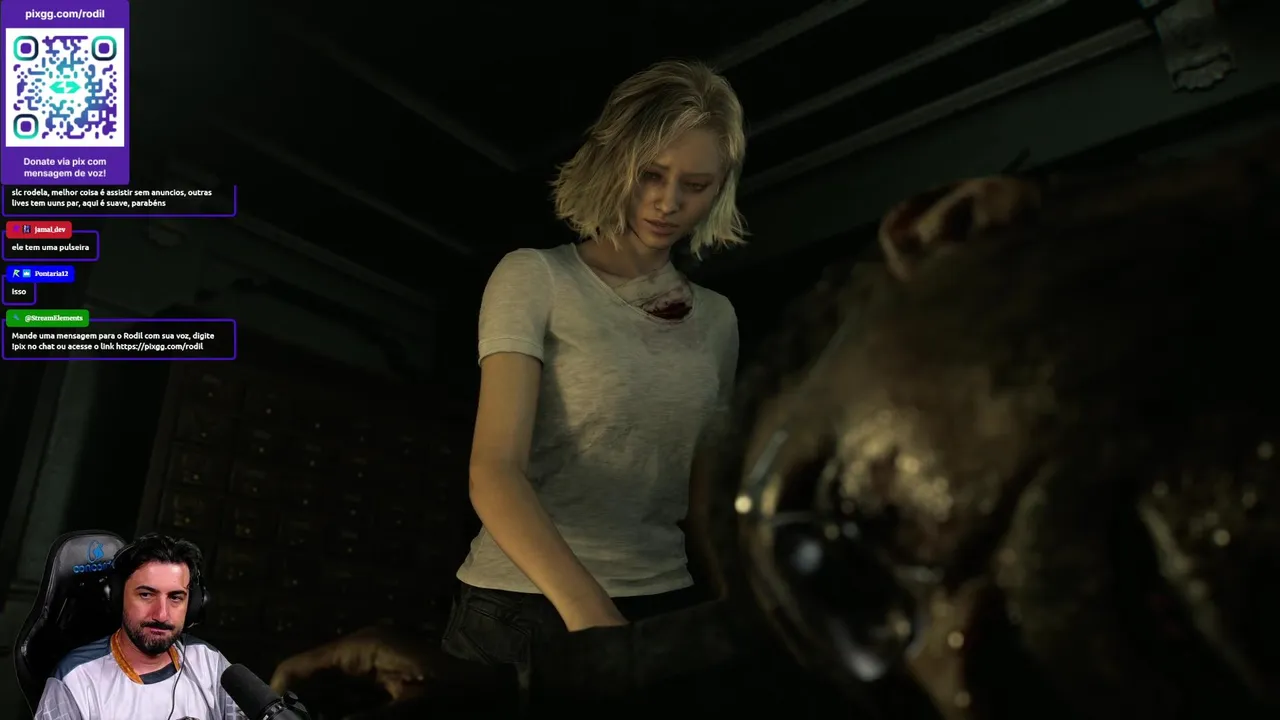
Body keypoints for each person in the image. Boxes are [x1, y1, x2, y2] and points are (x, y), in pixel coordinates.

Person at [441, 59, 745, 670]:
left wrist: (732, 607)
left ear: (720, 188)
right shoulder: (534, 277)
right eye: (651, 175)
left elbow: (699, 495)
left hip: (663, 605)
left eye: (695, 184)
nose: (668, 202)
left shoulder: (718, 320)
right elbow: (494, 471)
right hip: (521, 609)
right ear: (615, 162)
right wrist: (596, 620)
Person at [34, 533, 247, 720]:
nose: (161, 615)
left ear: (192, 605)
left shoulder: (209, 663)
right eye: (146, 595)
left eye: (175, 597)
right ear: (118, 597)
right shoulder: (76, 680)